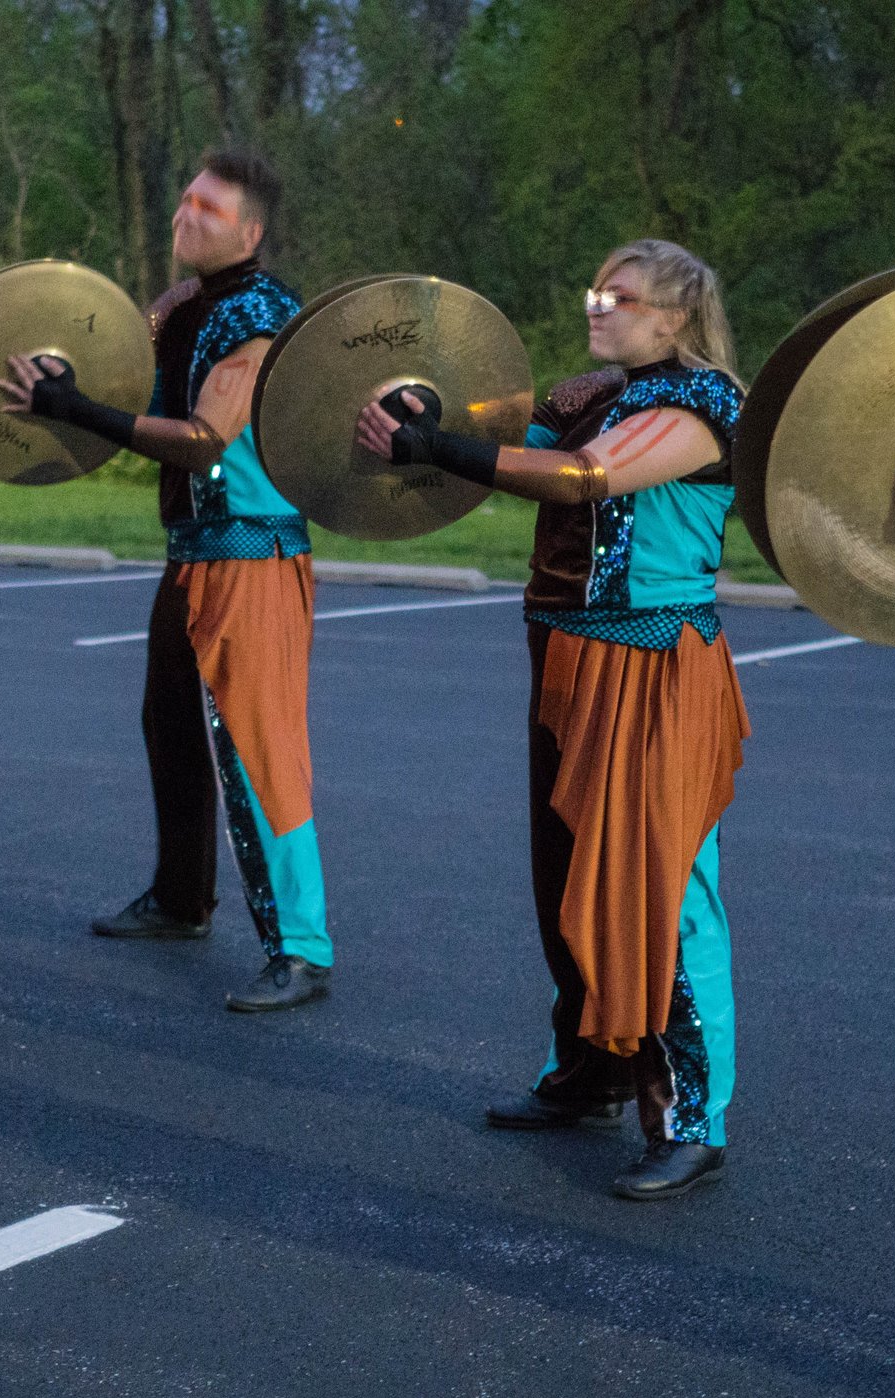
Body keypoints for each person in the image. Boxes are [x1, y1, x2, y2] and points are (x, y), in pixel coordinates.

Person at [358, 240, 748, 1200]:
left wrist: (438, 445)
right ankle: (590, 1073)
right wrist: (421, 409)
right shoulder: (583, 393)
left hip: (655, 665)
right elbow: (504, 427)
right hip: (566, 651)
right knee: (567, 875)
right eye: (595, 290)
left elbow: (582, 478)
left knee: (662, 891)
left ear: (676, 318)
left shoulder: (707, 405)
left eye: (623, 296)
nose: (599, 306)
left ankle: (693, 1118)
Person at [0, 151, 333, 1013]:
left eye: (209, 208)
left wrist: (78, 410)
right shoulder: (183, 302)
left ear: (250, 231)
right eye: (184, 200)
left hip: (251, 553)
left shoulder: (262, 314)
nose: (187, 215)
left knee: (261, 754)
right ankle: (183, 899)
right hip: (191, 550)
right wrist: (50, 376)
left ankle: (302, 946)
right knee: (170, 724)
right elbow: (117, 371)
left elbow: (202, 439)